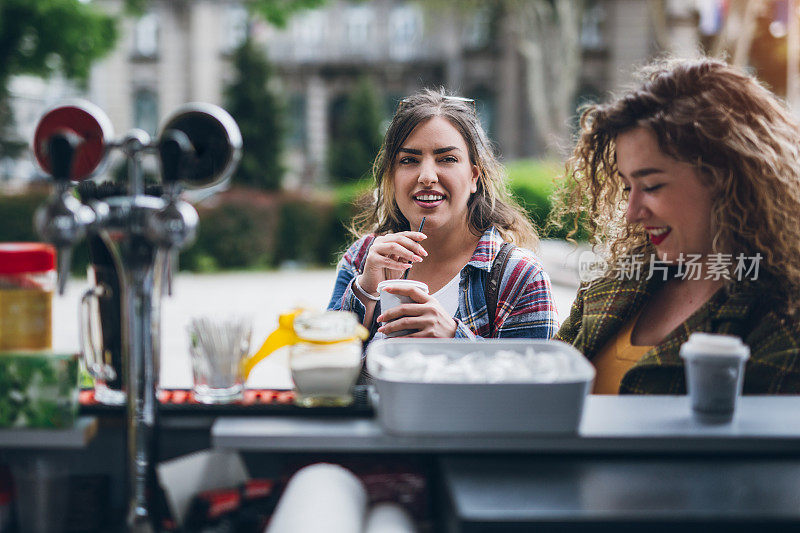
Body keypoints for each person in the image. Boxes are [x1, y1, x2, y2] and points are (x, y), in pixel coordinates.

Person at [554, 56, 800, 394]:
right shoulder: (610, 289)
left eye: (652, 186)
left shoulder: (782, 316)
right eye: (627, 187)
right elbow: (541, 387)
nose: (631, 212)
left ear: (726, 176)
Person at [328, 89, 558, 340]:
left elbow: (534, 375)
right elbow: (324, 367)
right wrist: (365, 292)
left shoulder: (520, 276)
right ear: (392, 177)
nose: (427, 176)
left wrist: (454, 337)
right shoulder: (362, 258)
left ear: (473, 177)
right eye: (408, 160)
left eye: (447, 158)